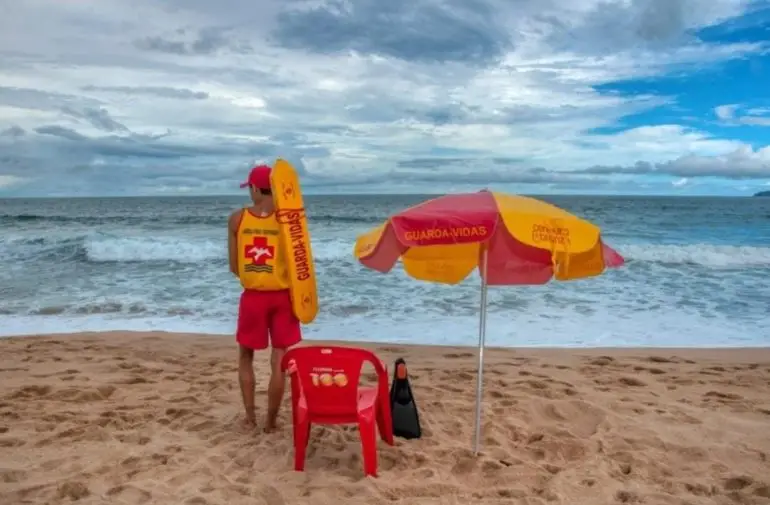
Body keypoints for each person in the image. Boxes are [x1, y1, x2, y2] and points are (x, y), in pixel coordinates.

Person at [228, 163, 301, 432]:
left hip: (253, 297)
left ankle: (250, 418)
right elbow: (300, 264)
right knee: (279, 360)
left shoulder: (237, 219)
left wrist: (256, 274)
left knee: (245, 356)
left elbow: (234, 266)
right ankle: (271, 421)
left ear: (257, 188)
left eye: (250, 188)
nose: (249, 193)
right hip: (284, 297)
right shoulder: (289, 220)